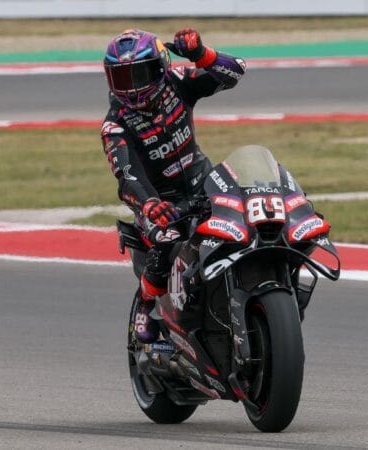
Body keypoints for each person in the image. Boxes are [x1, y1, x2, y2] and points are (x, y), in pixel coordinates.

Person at [100, 28, 246, 343]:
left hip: (204, 183)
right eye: (124, 78)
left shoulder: (177, 83)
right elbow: (126, 176)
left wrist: (200, 54)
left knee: (250, 211)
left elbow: (236, 71)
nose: (135, 87)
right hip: (160, 204)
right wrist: (149, 205)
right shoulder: (115, 125)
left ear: (161, 65)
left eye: (141, 73)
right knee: (167, 240)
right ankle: (145, 304)